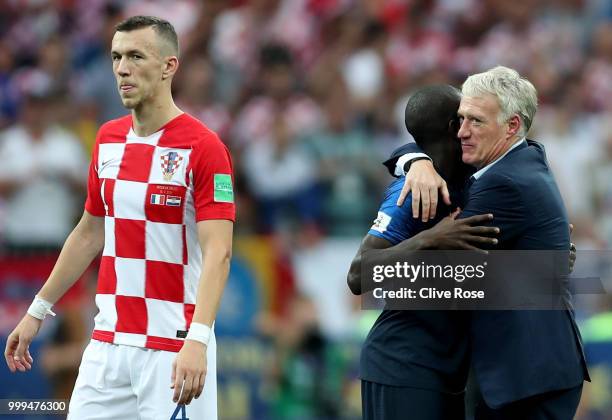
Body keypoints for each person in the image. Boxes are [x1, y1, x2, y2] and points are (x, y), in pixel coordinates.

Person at [4, 16, 235, 420]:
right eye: (115, 57)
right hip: (107, 345)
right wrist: (37, 310)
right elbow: (88, 233)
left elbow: (220, 251)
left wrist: (198, 339)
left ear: (169, 66)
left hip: (172, 347)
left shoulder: (205, 147)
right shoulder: (108, 139)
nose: (122, 68)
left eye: (135, 56)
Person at [388, 66, 589, 419]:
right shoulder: (521, 158)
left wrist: (391, 265)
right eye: (460, 120)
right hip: (529, 372)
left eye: (475, 122)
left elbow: (440, 279)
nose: (461, 133)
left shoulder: (504, 183)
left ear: (511, 126)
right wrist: (414, 159)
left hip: (525, 379)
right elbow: (425, 133)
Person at [347, 85, 500, 420]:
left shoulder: (462, 176)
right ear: (451, 127)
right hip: (403, 365)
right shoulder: (411, 192)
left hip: (445, 366)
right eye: (463, 118)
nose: (469, 126)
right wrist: (430, 238)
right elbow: (358, 274)